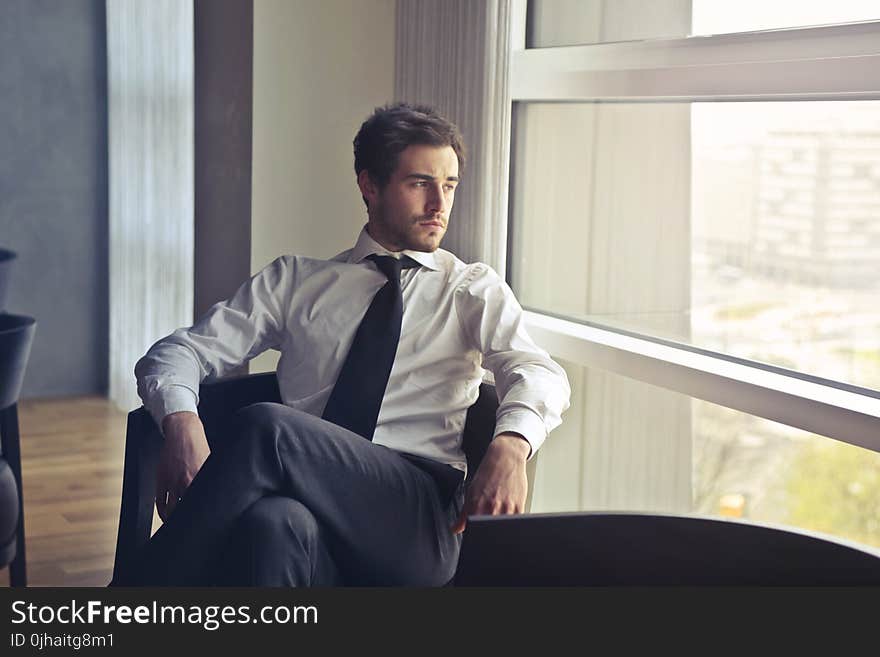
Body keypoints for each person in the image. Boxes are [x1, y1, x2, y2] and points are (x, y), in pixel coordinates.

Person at [115, 103, 570, 586]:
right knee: (274, 526)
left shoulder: (471, 289)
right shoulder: (296, 282)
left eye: (450, 185)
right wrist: (182, 422)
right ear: (369, 185)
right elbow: (174, 353)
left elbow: (539, 373)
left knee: (266, 428)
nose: (440, 204)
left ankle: (127, 602)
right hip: (307, 510)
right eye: (420, 183)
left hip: (411, 518)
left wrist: (512, 444)